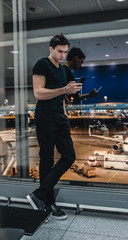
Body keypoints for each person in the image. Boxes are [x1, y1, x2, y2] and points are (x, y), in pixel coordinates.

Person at [26, 34, 82, 220]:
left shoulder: (63, 70)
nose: (62, 55)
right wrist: (64, 89)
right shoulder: (42, 64)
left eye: (65, 52)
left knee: (69, 156)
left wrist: (68, 98)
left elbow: (62, 96)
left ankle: (39, 194)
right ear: (51, 49)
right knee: (47, 159)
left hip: (60, 116)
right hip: (45, 116)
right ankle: (48, 202)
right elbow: (39, 93)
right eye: (59, 51)